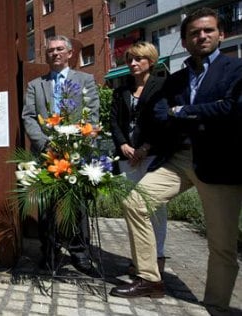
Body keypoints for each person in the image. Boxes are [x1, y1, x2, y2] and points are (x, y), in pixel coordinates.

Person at [109, 9, 242, 314]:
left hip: (219, 163)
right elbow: (159, 114)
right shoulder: (178, 79)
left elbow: (233, 110)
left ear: (220, 34)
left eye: (208, 30)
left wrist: (182, 112)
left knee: (221, 244)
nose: (202, 36)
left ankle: (216, 305)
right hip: (179, 158)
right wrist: (194, 111)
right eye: (195, 33)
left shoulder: (236, 70)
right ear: (184, 41)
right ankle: (149, 279)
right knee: (135, 203)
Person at [21, 35, 100, 273]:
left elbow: (92, 115)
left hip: (75, 152)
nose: (54, 53)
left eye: (59, 49)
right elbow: (29, 116)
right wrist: (45, 144)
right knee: (46, 206)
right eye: (50, 51)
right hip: (47, 154)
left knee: (77, 205)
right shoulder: (36, 85)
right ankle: (49, 252)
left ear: (68, 54)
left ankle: (80, 253)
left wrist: (75, 143)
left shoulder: (85, 79)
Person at [109, 42, 168, 274]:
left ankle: (158, 256)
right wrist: (123, 144)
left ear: (150, 61)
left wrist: (145, 147)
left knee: (156, 209)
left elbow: (164, 121)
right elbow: (114, 121)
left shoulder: (163, 86)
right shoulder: (121, 90)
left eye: (138, 59)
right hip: (126, 156)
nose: (132, 64)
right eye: (129, 60)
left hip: (152, 155)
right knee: (132, 209)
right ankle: (139, 260)